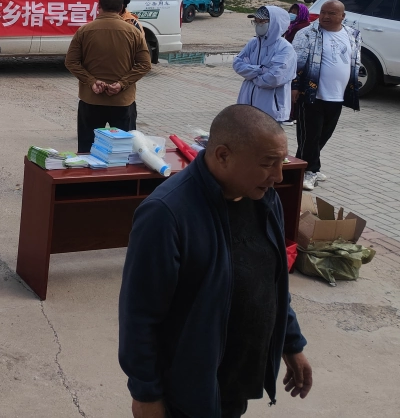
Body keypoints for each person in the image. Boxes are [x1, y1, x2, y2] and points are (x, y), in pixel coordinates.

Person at [119, 104, 312, 418]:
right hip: (187, 392)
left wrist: (291, 343)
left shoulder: (265, 200)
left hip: (238, 382)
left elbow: (272, 282)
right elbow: (139, 315)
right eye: (268, 164)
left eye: (281, 163)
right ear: (223, 155)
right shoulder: (167, 214)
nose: (278, 176)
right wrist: (145, 394)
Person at [64, 0, 151, 153]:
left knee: (87, 150)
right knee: (123, 152)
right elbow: (145, 64)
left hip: (91, 100)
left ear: (99, 6)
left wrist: (91, 81)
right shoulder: (133, 32)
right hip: (122, 101)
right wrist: (122, 84)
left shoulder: (84, 31)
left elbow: (71, 62)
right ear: (121, 8)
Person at [291, 0, 361, 191]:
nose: (325, 16)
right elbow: (297, 62)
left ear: (342, 16)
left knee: (323, 135)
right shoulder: (307, 33)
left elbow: (354, 60)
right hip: (311, 94)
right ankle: (310, 171)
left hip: (337, 95)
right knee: (309, 135)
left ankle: (302, 167)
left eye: (331, 13)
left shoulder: (352, 35)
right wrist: (294, 86)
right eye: (323, 12)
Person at [232, 6, 296, 122]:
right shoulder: (253, 43)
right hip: (246, 105)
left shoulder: (285, 48)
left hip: (270, 110)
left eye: (262, 21)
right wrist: (261, 69)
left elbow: (274, 78)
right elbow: (237, 64)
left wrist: (250, 74)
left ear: (275, 24)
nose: (258, 25)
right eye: (255, 21)